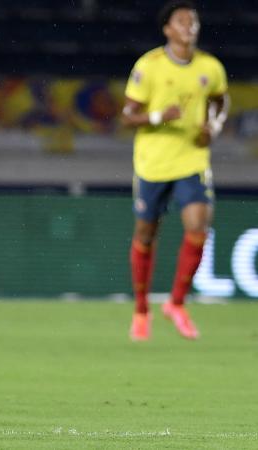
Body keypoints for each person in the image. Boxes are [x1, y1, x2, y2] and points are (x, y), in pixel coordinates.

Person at [122, 1, 229, 341]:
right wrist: (157, 117)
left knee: (199, 225)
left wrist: (214, 124)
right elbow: (127, 115)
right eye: (181, 21)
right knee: (146, 234)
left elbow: (220, 100)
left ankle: (176, 304)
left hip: (191, 160)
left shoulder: (210, 67)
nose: (189, 26)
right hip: (153, 163)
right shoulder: (149, 66)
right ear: (168, 29)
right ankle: (141, 310)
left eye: (193, 20)